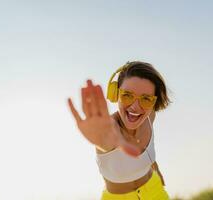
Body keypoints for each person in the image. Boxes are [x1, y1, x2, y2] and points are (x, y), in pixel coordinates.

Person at [68, 61, 171, 199]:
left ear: (154, 102)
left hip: (155, 190)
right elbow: (105, 141)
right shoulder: (108, 129)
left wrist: (158, 174)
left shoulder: (150, 117)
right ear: (115, 93)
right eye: (127, 95)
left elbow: (150, 158)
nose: (135, 107)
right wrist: (103, 140)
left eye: (146, 99)